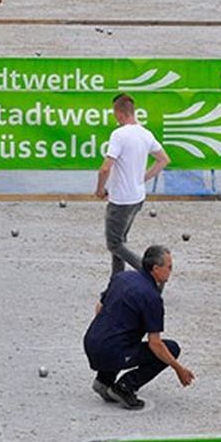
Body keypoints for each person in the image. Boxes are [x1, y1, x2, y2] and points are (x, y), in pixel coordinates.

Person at [83, 244, 194, 411]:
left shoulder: (122, 277)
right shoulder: (152, 297)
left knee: (122, 335)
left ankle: (104, 380)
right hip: (111, 352)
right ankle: (125, 387)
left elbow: (99, 308)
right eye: (169, 267)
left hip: (91, 343)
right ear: (156, 269)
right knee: (171, 348)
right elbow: (155, 344)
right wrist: (178, 367)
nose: (171, 271)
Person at [95, 93, 169, 275]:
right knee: (120, 242)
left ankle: (149, 273)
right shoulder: (146, 134)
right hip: (137, 198)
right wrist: (142, 178)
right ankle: (116, 283)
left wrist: (99, 190)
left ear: (119, 114)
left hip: (120, 200)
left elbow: (105, 169)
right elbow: (163, 160)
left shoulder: (119, 135)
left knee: (114, 244)